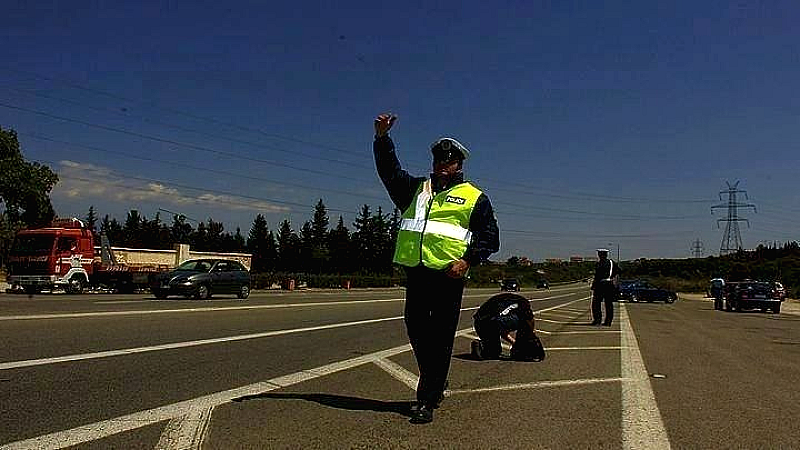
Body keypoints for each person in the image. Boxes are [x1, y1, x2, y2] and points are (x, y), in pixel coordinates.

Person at [373, 113, 500, 424]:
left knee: (441, 337)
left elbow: (491, 238)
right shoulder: (416, 189)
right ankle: (436, 379)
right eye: (438, 159)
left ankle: (427, 399)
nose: (443, 164)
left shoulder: (474, 197)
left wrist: (468, 260)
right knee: (417, 331)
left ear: (459, 164)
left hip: (448, 276)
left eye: (449, 160)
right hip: (417, 273)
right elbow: (389, 173)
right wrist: (382, 139)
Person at [471, 293, 545, 362]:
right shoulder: (524, 304)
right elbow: (529, 321)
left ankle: (482, 346)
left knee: (494, 351)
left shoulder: (509, 301)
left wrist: (515, 343)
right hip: (492, 321)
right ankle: (522, 350)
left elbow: (502, 331)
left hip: (479, 323)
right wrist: (528, 337)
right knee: (524, 322)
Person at [590, 248, 619, 326]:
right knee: (609, 304)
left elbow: (597, 276)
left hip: (601, 284)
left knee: (596, 303)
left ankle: (597, 320)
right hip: (609, 284)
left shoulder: (599, 263)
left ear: (601, 255)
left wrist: (593, 285)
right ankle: (608, 321)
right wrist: (611, 277)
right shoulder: (612, 262)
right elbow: (617, 271)